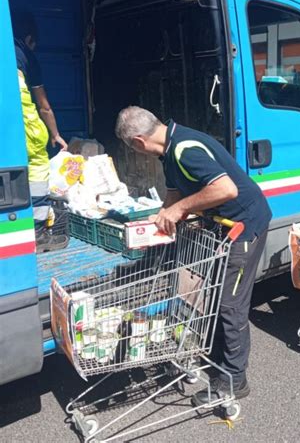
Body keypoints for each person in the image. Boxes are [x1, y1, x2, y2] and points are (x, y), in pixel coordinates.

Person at [115, 106, 272, 404]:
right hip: (223, 227)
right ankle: (217, 359)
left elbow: (226, 189)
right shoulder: (170, 151)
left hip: (244, 226)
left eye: (132, 148)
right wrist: (162, 215)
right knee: (214, 298)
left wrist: (180, 209)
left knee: (230, 304)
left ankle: (235, 381)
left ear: (137, 141)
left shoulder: (185, 149)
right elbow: (174, 192)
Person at [13, 9, 69, 252]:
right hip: (24, 124)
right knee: (37, 168)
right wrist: (55, 135)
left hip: (7, 125)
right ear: (28, 38)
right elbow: (44, 107)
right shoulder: (24, 55)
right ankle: (38, 233)